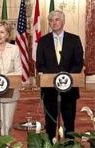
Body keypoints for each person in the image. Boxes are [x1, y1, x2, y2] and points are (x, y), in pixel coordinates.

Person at [36, 10, 84, 142]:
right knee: (50, 125)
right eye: (51, 20)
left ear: (63, 21)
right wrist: (52, 77)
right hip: (49, 90)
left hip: (69, 91)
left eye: (57, 19)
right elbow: (40, 64)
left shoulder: (74, 39)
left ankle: (69, 145)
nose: (54, 22)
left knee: (69, 124)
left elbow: (78, 63)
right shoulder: (43, 41)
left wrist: (65, 77)